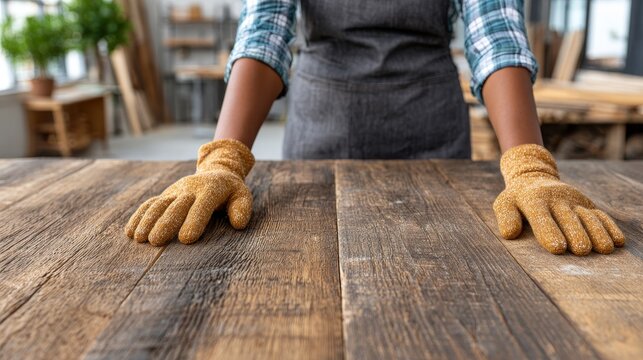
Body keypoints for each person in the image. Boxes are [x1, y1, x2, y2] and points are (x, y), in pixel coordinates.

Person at [124, 0, 625, 255]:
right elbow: (264, 31)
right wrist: (224, 159)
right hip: (323, 128)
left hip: (430, 130)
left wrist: (529, 165)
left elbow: (494, 34)